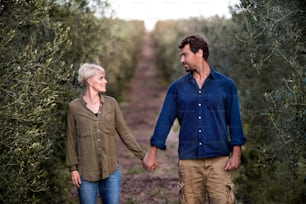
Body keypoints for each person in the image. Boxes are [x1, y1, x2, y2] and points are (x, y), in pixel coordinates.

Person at [143, 34, 246, 204]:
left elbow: (234, 121)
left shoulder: (226, 85)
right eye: (181, 56)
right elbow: (164, 121)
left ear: (199, 53)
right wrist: (152, 153)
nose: (182, 60)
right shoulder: (177, 88)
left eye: (185, 55)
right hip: (188, 161)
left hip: (219, 161)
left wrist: (236, 154)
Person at [65, 63, 146, 204]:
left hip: (111, 171)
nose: (105, 81)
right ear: (90, 81)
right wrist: (73, 169)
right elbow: (70, 139)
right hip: (85, 173)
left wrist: (142, 156)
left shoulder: (111, 104)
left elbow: (124, 132)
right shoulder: (74, 107)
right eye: (101, 78)